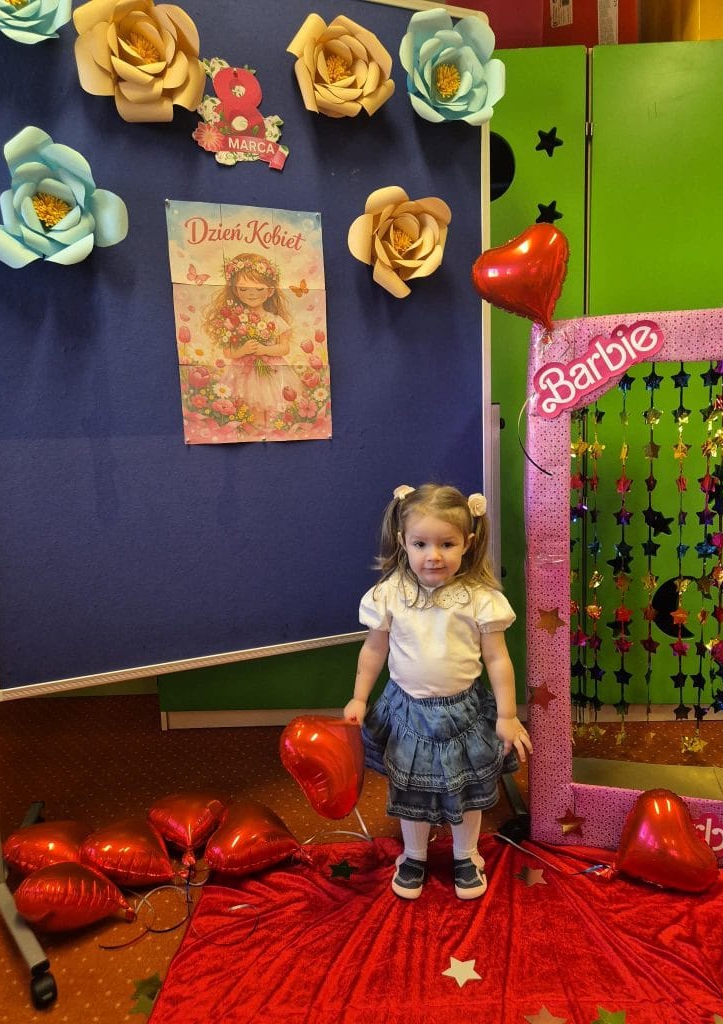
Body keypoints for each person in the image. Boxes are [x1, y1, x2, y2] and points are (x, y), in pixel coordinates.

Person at [343, 483, 532, 901]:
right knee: (411, 789)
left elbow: (497, 659)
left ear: (468, 543)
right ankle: (414, 855)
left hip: (463, 713)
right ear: (402, 541)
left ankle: (466, 855)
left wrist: (507, 715)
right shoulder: (390, 595)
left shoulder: (481, 599)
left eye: (447, 544)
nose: (434, 555)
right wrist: (359, 696)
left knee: (466, 791)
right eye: (421, 544)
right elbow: (374, 650)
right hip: (407, 712)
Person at [203, 252, 302, 428]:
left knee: (272, 407)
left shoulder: (275, 320)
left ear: (270, 291)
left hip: (272, 372)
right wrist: (243, 350)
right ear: (235, 290)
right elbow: (228, 352)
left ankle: (271, 431)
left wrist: (264, 350)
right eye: (244, 289)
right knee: (248, 408)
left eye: (259, 289)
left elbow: (284, 348)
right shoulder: (234, 320)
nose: (251, 294)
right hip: (243, 372)